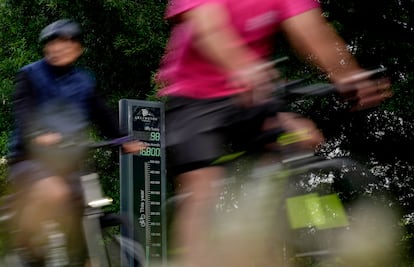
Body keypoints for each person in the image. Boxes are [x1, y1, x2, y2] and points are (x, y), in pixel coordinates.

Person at [155, 0, 392, 267]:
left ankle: (324, 246)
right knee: (201, 185)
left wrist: (347, 74)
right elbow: (209, 29)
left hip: (253, 93)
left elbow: (311, 30)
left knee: (300, 144)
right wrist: (243, 65)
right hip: (194, 96)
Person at [6, 19, 145, 266]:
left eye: (68, 44)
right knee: (55, 192)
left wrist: (125, 139)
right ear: (46, 48)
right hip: (30, 158)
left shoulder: (84, 81)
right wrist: (37, 133)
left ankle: (82, 259)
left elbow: (102, 114)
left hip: (68, 161)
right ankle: (25, 245)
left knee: (83, 208)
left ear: (78, 49)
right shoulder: (30, 74)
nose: (60, 49)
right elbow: (23, 110)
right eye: (54, 43)